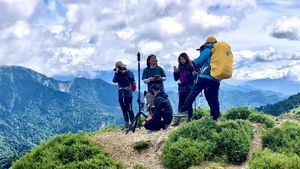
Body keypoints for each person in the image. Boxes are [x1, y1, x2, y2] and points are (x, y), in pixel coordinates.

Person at [179, 36, 221, 120]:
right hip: (215, 79)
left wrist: (191, 63)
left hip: (205, 77)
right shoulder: (218, 52)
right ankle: (215, 118)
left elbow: (199, 60)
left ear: (207, 43)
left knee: (193, 92)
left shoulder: (208, 49)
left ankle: (183, 110)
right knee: (213, 98)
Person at [172, 53, 196, 125]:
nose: (181, 60)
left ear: (186, 58)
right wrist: (175, 72)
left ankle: (189, 119)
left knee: (188, 103)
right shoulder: (180, 67)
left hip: (189, 88)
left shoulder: (191, 66)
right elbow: (176, 79)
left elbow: (194, 76)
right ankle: (178, 121)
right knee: (181, 104)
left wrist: (186, 82)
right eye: (180, 59)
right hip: (182, 88)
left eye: (182, 59)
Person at [112, 61, 135, 129]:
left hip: (128, 92)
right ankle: (127, 123)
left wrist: (125, 72)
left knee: (129, 109)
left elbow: (131, 79)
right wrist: (116, 72)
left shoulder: (129, 72)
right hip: (121, 93)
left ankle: (132, 123)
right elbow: (114, 80)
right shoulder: (117, 74)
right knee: (123, 109)